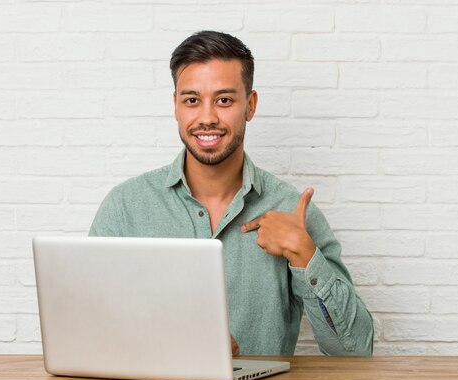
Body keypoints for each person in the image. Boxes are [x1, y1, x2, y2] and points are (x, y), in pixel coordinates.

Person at [89, 31, 374, 356]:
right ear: (176, 106)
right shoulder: (125, 208)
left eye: (224, 100)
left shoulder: (291, 211)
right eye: (192, 100)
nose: (207, 117)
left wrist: (305, 255)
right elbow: (90, 328)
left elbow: (356, 352)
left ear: (249, 106)